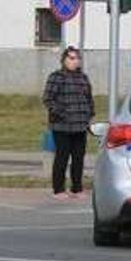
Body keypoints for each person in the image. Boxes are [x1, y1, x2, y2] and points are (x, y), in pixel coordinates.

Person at [42, 46, 94, 200]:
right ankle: (58, 189)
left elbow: (89, 99)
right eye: (71, 58)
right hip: (62, 126)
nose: (74, 61)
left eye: (77, 58)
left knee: (78, 157)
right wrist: (61, 113)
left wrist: (89, 113)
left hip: (80, 125)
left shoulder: (83, 78)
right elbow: (47, 99)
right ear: (64, 60)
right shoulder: (56, 77)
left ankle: (76, 188)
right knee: (62, 157)